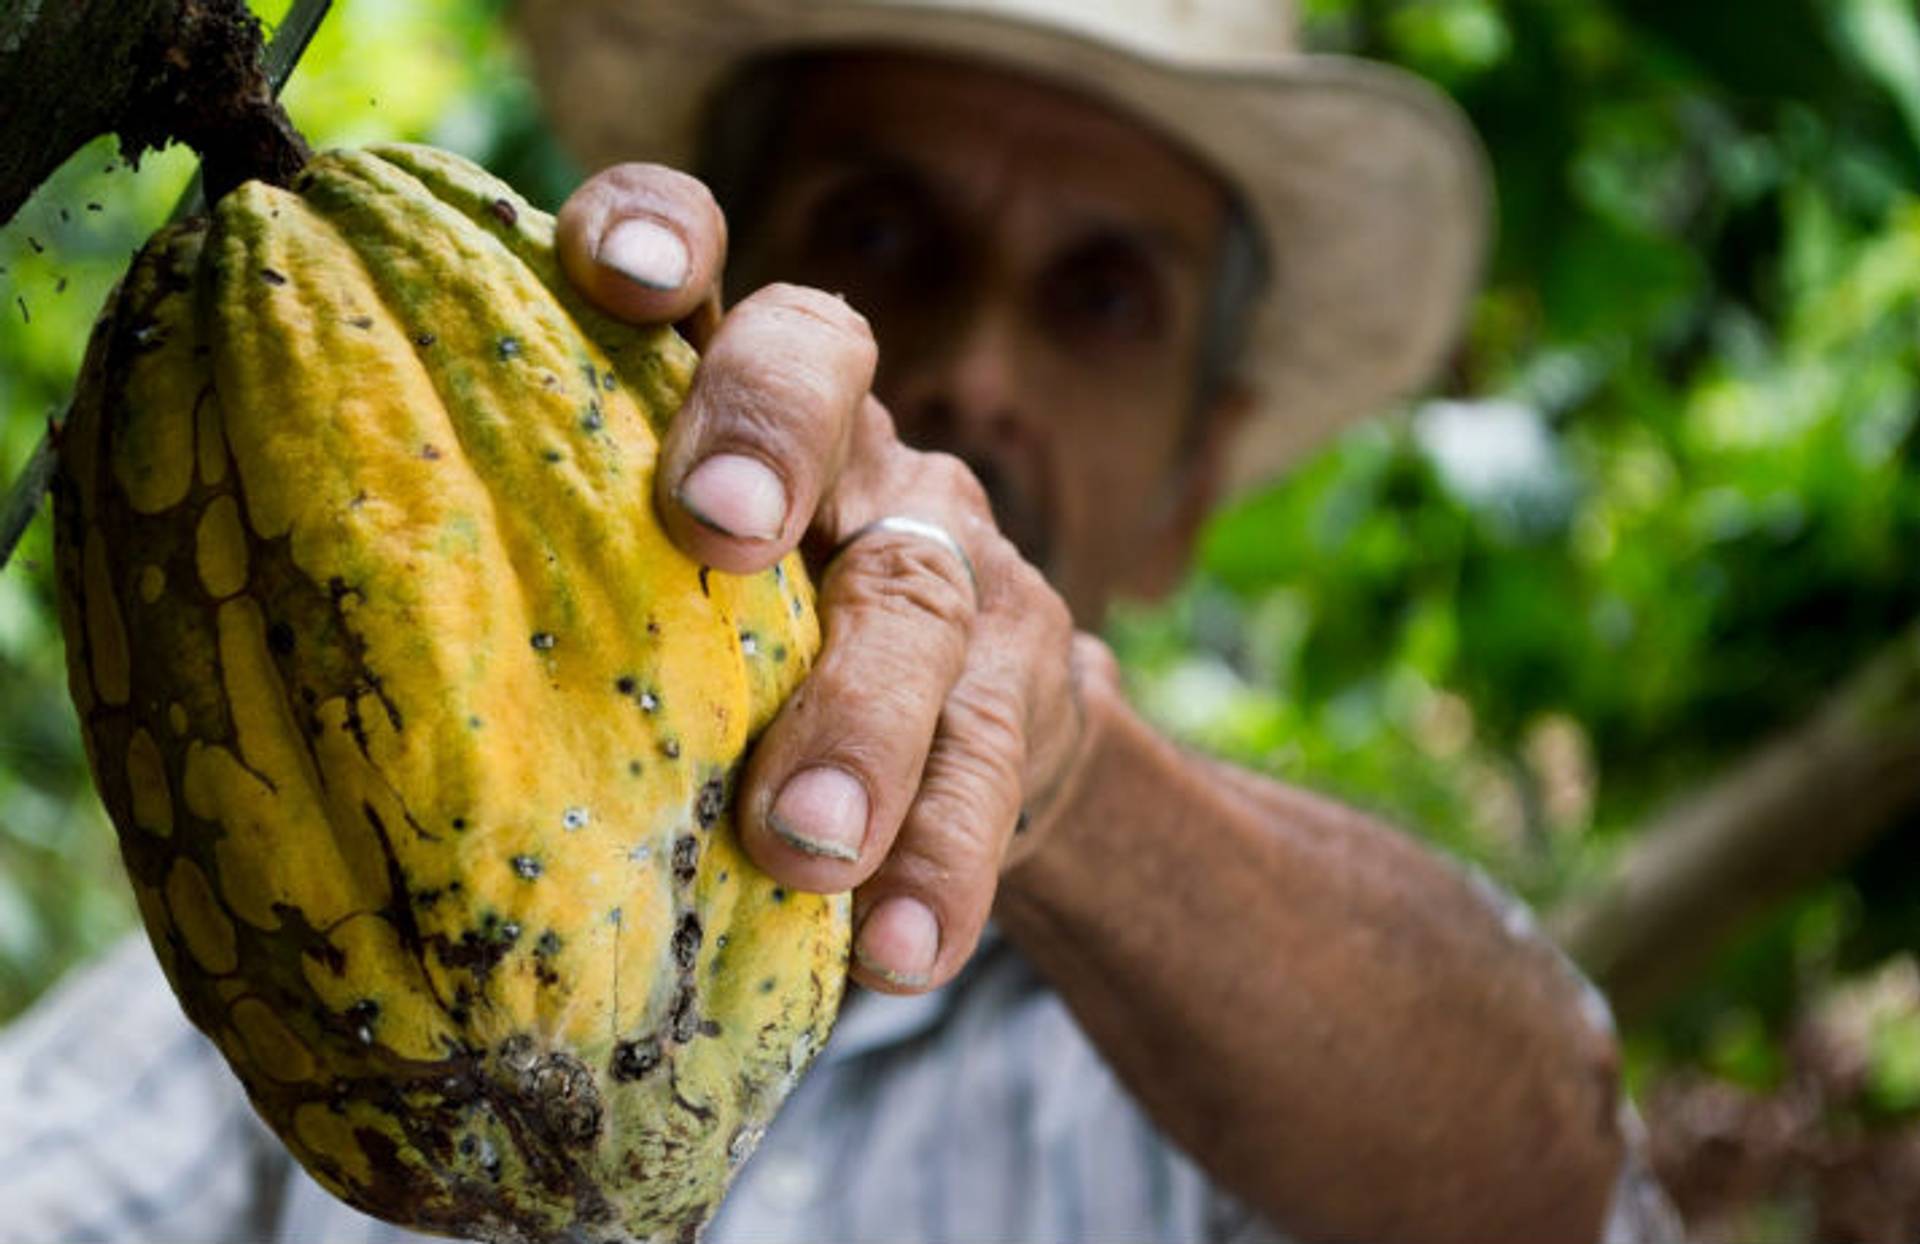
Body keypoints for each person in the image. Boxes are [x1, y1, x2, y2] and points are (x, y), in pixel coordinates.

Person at [0, 1, 1682, 1241]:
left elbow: (1546, 1169)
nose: (975, 367)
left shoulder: (1237, 1089)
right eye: (880, 230)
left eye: (1104, 295)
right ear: (680, 303)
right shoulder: (314, 885)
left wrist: (1069, 776)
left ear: (1197, 479)